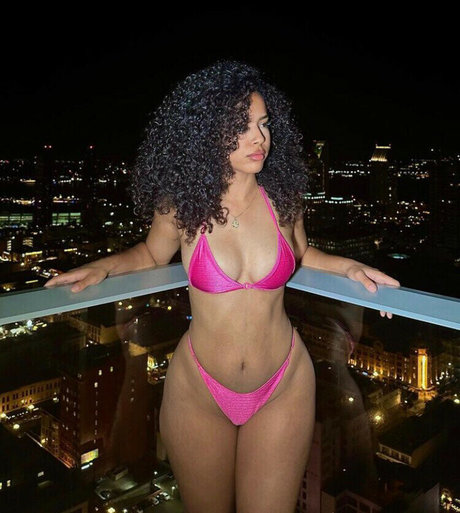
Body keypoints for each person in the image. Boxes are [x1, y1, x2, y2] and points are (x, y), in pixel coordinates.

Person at [44, 59, 400, 513]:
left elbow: (302, 253)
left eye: (264, 124)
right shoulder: (184, 206)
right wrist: (104, 268)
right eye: (241, 127)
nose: (259, 138)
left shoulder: (284, 200)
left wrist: (350, 268)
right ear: (205, 134)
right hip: (199, 391)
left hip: (284, 385)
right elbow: (151, 255)